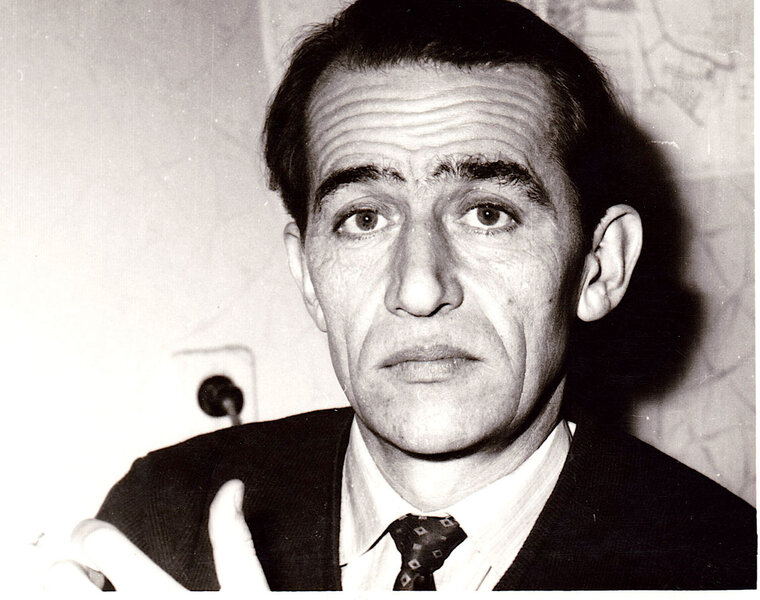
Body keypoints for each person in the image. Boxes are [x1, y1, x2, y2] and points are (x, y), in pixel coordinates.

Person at [46, 0, 756, 591]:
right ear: (308, 276)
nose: (418, 288)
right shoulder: (167, 521)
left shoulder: (724, 568)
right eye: (363, 219)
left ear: (600, 267)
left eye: (488, 214)